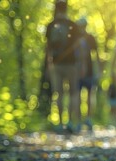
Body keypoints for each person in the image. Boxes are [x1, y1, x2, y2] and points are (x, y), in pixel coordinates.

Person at [45, 0, 81, 133]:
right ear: (66, 9)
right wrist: (80, 64)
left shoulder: (51, 25)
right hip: (71, 64)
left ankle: (60, 124)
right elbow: (78, 46)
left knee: (59, 94)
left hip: (56, 63)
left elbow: (48, 48)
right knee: (73, 93)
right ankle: (71, 122)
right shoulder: (72, 25)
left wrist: (49, 64)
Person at [75, 17, 101, 132]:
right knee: (87, 95)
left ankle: (82, 120)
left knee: (81, 95)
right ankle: (85, 119)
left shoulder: (76, 37)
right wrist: (99, 70)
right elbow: (97, 56)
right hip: (86, 70)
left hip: (79, 70)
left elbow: (96, 54)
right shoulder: (90, 37)